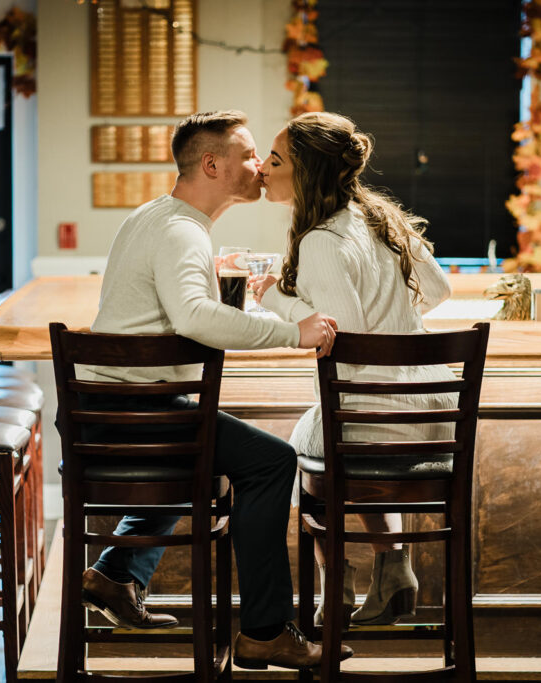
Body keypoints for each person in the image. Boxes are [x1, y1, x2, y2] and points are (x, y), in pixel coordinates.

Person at [76, 110, 350, 670]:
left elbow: (180, 314)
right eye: (250, 155)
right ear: (211, 164)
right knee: (273, 461)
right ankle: (266, 631)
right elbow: (196, 318)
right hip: (133, 414)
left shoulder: (157, 216)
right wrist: (292, 332)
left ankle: (116, 574)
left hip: (113, 411)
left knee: (202, 440)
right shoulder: (182, 230)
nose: (259, 166)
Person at [252, 111, 456, 627]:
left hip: (374, 417)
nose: (263, 169)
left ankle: (335, 583)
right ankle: (391, 567)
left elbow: (346, 340)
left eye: (275, 160)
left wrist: (276, 298)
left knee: (297, 451)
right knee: (328, 428)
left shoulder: (321, 239)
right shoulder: (380, 217)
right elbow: (438, 290)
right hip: (432, 412)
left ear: (307, 171)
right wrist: (395, 321)